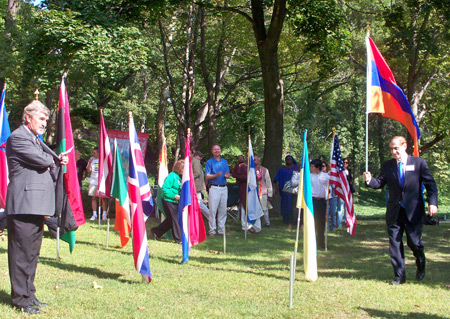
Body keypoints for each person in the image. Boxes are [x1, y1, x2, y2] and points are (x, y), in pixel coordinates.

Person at [5, 100, 69, 314]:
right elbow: (42, 161)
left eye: (46, 120)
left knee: (32, 254)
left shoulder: (34, 139)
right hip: (23, 204)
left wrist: (56, 159)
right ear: (28, 118)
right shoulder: (18, 137)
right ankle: (20, 299)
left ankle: (29, 294)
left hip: (35, 205)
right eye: (41, 119)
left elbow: (48, 159)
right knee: (21, 254)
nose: (45, 124)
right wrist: (55, 159)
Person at [363, 136, 438, 285]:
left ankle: (420, 263)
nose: (394, 151)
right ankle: (399, 276)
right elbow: (379, 183)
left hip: (413, 210)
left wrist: (433, 203)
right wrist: (369, 180)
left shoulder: (419, 163)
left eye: (396, 148)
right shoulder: (388, 165)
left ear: (404, 146)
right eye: (391, 149)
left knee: (414, 243)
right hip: (395, 211)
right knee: (395, 244)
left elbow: (431, 185)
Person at [151, 160, 185, 243]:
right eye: (183, 168)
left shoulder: (181, 177)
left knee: (170, 220)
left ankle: (156, 232)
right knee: (175, 219)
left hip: (176, 201)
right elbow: (165, 189)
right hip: (168, 200)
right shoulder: (171, 176)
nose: (184, 170)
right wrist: (174, 196)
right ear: (179, 168)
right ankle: (178, 239)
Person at [205, 144, 230, 236]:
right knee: (213, 210)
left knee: (223, 210)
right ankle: (212, 231)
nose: (217, 151)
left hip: (224, 187)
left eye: (218, 149)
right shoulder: (209, 162)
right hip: (214, 187)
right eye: (215, 149)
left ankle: (221, 230)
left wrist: (227, 176)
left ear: (220, 150)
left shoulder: (224, 162)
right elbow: (207, 176)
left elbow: (227, 174)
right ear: (212, 151)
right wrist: (216, 175)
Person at [310, 158, 329, 249]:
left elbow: (330, 186)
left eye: (313, 166)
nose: (311, 168)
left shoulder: (325, 176)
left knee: (320, 223)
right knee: (312, 221)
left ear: (317, 167)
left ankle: (321, 242)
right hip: (312, 200)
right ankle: (312, 242)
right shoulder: (309, 176)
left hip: (321, 201)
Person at [274, 155, 298, 226]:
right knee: (285, 205)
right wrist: (276, 189)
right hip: (285, 191)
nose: (288, 160)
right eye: (287, 159)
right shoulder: (282, 169)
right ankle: (286, 220)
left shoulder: (296, 168)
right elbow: (277, 179)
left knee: (293, 206)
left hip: (294, 191)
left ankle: (294, 220)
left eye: (290, 159)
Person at [86, 147, 108, 221]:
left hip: (102, 181)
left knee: (103, 198)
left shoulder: (103, 159)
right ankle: (94, 214)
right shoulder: (92, 159)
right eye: (93, 153)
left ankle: (104, 214)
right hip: (93, 181)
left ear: (98, 153)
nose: (93, 154)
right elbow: (88, 170)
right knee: (94, 197)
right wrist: (89, 163)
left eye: (94, 153)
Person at [254, 155, 273, 227]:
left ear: (259, 161)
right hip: (254, 192)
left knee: (264, 208)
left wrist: (270, 193)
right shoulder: (251, 169)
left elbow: (268, 182)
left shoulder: (265, 170)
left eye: (255, 160)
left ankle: (267, 222)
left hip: (263, 192)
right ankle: (256, 223)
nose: (254, 161)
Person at [192, 151, 209, 222]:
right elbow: (197, 173)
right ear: (196, 156)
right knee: (199, 204)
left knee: (200, 204)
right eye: (199, 156)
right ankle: (211, 217)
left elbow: (198, 174)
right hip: (195, 187)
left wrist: (189, 179)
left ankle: (211, 218)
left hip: (197, 187)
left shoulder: (196, 162)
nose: (201, 158)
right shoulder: (195, 161)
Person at [337, 157, 354, 228]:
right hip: (341, 191)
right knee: (340, 208)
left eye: (346, 163)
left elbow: (350, 180)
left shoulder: (349, 171)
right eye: (344, 162)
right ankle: (339, 224)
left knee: (347, 207)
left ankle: (347, 222)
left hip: (349, 191)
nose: (345, 164)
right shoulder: (340, 171)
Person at [322, 161, 338, 231]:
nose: (323, 167)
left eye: (324, 166)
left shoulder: (331, 174)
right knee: (326, 213)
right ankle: (326, 227)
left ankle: (334, 227)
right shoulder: (320, 175)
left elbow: (335, 183)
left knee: (333, 212)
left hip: (333, 195)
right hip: (325, 196)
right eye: (321, 166)